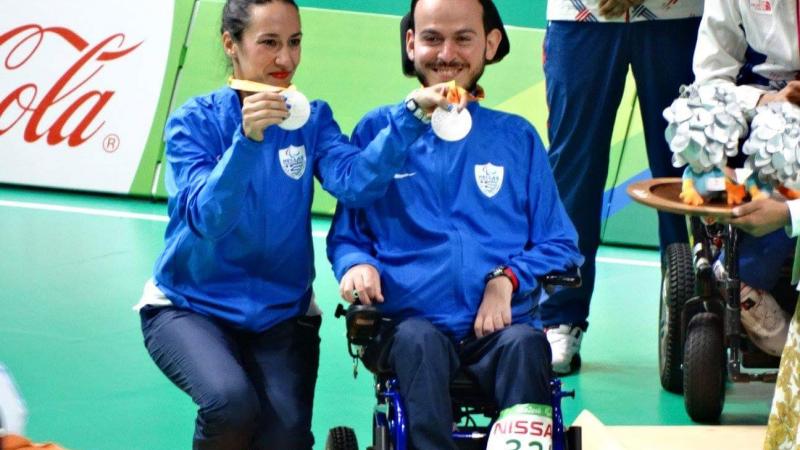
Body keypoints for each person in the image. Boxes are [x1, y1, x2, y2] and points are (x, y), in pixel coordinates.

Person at [134, 1, 430, 448]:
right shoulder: (193, 123)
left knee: (284, 438)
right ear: (230, 44)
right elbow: (207, 220)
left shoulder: (310, 119)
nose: (286, 59)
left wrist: (410, 116)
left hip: (280, 316)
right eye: (269, 43)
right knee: (230, 404)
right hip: (190, 307)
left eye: (294, 43)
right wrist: (248, 141)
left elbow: (355, 184)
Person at [326, 1, 583, 448]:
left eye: (463, 38)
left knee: (527, 346)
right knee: (419, 340)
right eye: (431, 38)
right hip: (409, 327)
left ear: (491, 43)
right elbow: (349, 235)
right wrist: (354, 265)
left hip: (498, 335)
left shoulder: (516, 138)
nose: (447, 53)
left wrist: (507, 279)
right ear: (411, 44)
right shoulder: (377, 132)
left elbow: (560, 242)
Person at [542, 0, 703, 373]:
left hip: (676, 12)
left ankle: (694, 316)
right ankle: (560, 316)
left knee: (685, 166)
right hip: (582, 13)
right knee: (574, 169)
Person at [691, 0, 800, 447]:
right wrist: (764, 101)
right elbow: (709, 77)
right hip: (767, 110)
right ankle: (742, 283)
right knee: (705, 172)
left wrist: (790, 213)